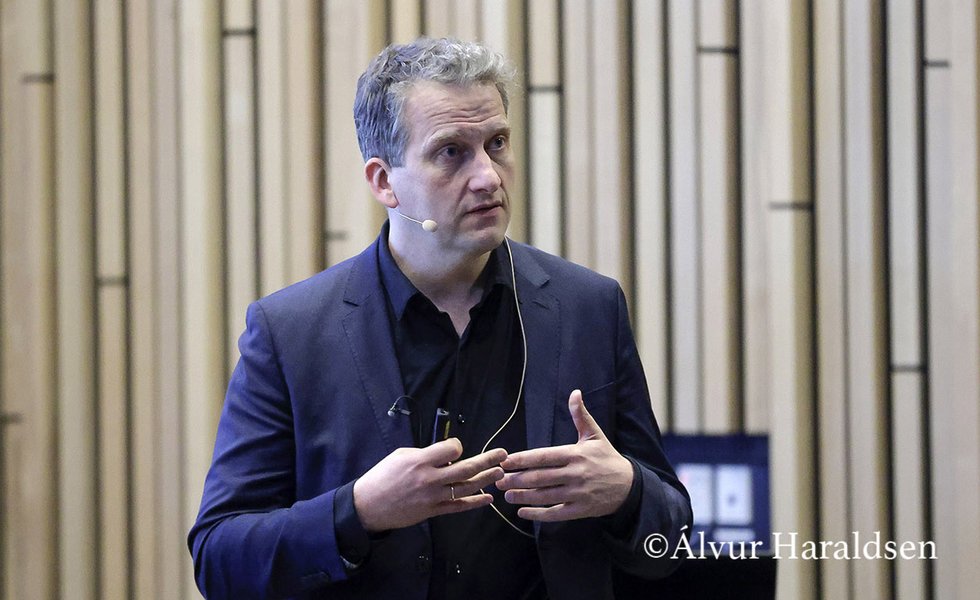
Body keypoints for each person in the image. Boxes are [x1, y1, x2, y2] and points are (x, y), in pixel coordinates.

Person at [189, 37, 691, 600]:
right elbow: (219, 559)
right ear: (384, 181)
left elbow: (672, 539)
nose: (488, 176)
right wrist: (358, 511)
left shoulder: (589, 307)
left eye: (497, 143)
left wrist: (627, 492)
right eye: (451, 152)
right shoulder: (290, 332)